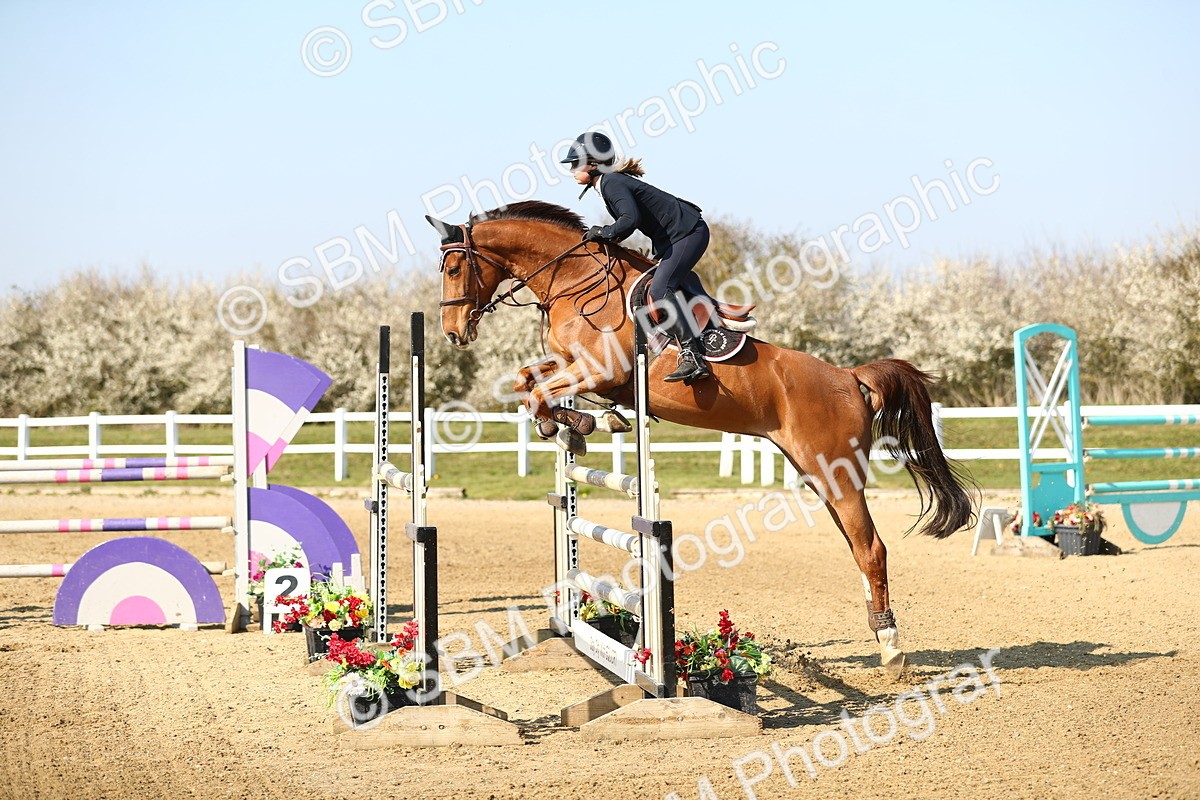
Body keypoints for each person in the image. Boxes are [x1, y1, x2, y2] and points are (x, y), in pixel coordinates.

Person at [561, 131, 711, 385]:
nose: (572, 170)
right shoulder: (607, 183)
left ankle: (693, 355)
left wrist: (604, 232)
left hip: (687, 233)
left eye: (576, 163)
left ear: (594, 164)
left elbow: (630, 221)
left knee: (661, 289)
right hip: (675, 238)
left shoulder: (611, 182)